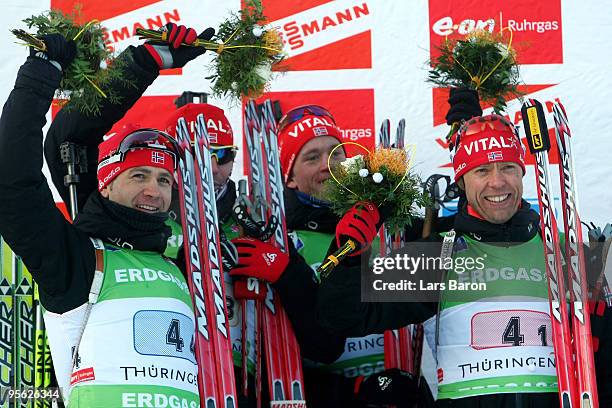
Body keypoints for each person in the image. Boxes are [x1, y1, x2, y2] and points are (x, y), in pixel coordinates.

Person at [317, 89, 612, 407]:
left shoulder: (566, 256)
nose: (497, 182)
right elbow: (339, 317)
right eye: (482, 170)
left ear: (523, 174)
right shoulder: (438, 257)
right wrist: (349, 256)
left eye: (508, 168)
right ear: (462, 181)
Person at [0, 25, 216, 407]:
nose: (154, 190)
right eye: (138, 175)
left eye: (165, 179)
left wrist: (147, 60)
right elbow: (18, 177)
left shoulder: (182, 261)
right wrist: (40, 74)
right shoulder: (75, 259)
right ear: (104, 185)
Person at [274, 104, 429, 407]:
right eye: (311, 157)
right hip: (327, 394)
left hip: (397, 390)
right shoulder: (285, 240)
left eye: (335, 153)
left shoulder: (386, 227)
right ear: (289, 177)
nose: (327, 165)